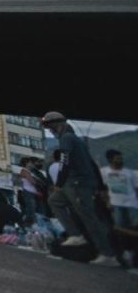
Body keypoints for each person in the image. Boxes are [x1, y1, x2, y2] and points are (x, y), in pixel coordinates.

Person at [41, 111, 121, 265]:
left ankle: (108, 254)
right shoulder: (77, 140)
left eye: (50, 127)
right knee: (54, 201)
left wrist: (58, 184)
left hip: (78, 184)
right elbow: (93, 165)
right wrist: (101, 187)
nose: (50, 131)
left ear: (57, 125)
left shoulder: (66, 139)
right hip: (78, 184)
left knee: (89, 217)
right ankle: (76, 235)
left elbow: (65, 161)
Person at [103, 149, 138, 267]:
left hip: (132, 205)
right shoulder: (105, 172)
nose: (120, 160)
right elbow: (104, 189)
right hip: (116, 204)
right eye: (117, 158)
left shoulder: (130, 172)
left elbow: (136, 188)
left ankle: (133, 252)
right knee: (120, 230)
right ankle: (125, 252)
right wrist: (107, 201)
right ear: (110, 159)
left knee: (133, 228)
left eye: (120, 158)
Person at [18, 156, 46, 222]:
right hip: (29, 192)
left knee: (40, 210)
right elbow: (32, 181)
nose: (32, 164)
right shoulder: (24, 170)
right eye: (30, 163)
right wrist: (40, 184)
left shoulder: (30, 172)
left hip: (34, 193)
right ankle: (29, 223)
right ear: (26, 163)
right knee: (31, 210)